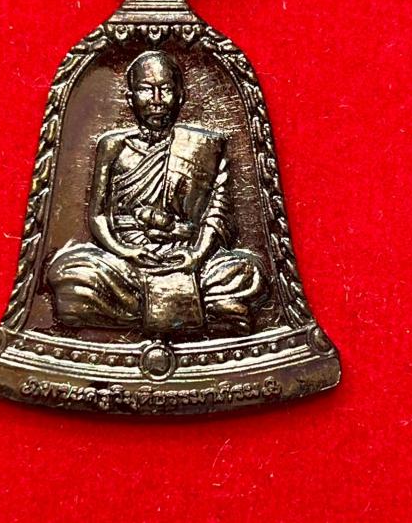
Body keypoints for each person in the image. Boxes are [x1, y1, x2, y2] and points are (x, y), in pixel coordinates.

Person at [46, 50, 267, 335]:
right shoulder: (113, 146)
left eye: (166, 90)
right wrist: (125, 251)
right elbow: (98, 216)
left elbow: (217, 213)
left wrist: (197, 255)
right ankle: (203, 314)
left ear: (181, 97)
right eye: (146, 89)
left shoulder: (205, 147)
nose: (157, 100)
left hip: (187, 256)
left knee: (248, 275)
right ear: (130, 98)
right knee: (67, 274)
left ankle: (136, 314)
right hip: (126, 263)